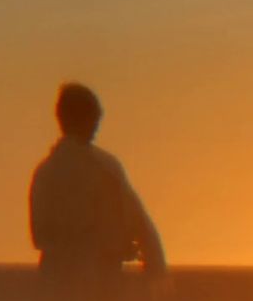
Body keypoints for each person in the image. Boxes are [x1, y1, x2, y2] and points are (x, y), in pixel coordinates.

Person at [29, 82, 166, 287]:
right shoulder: (104, 168)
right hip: (100, 283)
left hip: (54, 283)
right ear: (88, 119)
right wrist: (157, 272)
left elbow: (39, 234)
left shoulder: (45, 173)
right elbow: (140, 224)